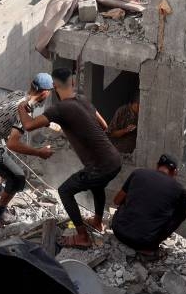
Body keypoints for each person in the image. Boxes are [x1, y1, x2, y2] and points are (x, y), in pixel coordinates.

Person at [18, 68, 122, 248]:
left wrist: (21, 106)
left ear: (55, 86)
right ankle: (97, 221)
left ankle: (82, 236)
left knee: (65, 191)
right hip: (114, 159)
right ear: (72, 83)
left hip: (99, 165)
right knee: (97, 185)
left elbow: (28, 125)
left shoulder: (59, 108)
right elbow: (104, 125)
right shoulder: (83, 100)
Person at [0, 73, 56, 225]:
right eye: (50, 90)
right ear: (44, 92)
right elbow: (13, 144)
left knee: (2, 157)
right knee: (18, 178)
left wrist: (43, 122)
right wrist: (39, 152)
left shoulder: (17, 93)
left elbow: (6, 115)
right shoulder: (23, 110)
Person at [111, 154, 186, 256]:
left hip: (118, 231)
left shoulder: (137, 173)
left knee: (130, 197)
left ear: (157, 166)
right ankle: (149, 248)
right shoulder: (179, 190)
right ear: (175, 172)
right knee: (181, 211)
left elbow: (117, 201)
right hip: (144, 243)